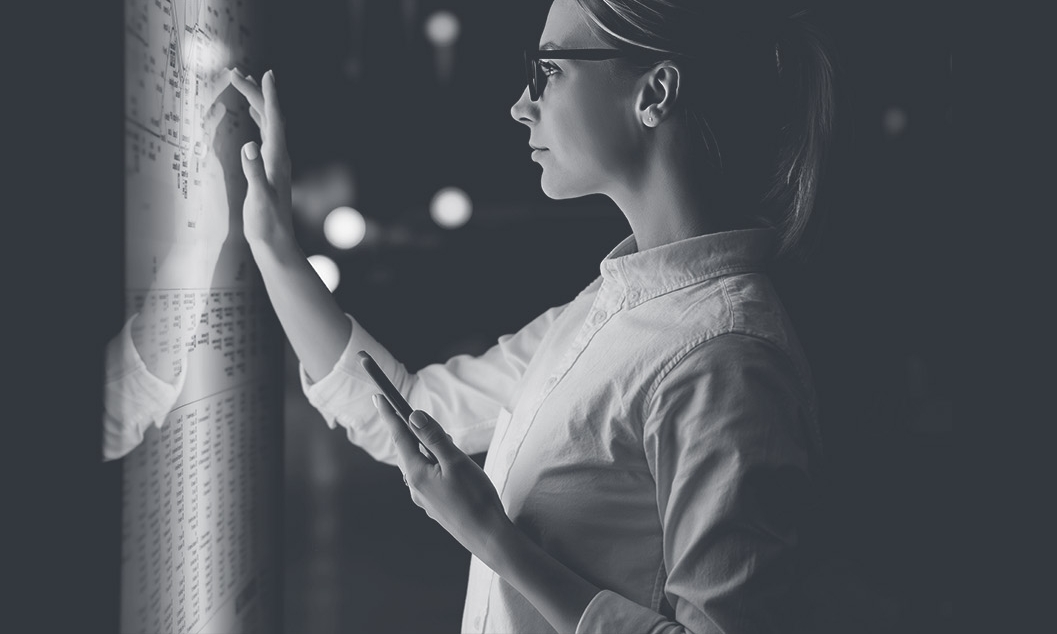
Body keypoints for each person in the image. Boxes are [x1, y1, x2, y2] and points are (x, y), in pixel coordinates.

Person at [111, 1, 836, 631]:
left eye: (546, 71)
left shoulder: (727, 356)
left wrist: (496, 541)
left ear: (656, 92)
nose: (521, 105)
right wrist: (271, 242)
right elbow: (413, 409)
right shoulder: (612, 307)